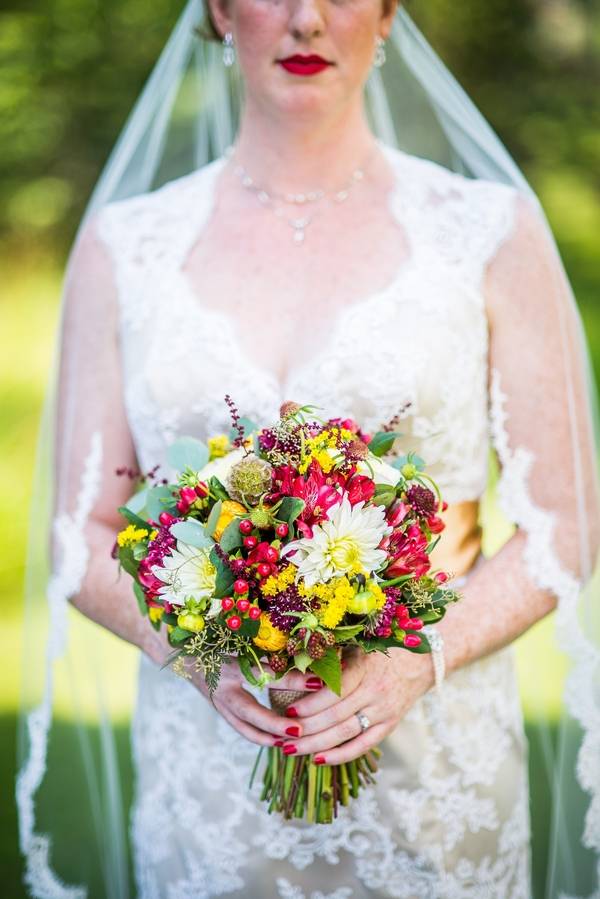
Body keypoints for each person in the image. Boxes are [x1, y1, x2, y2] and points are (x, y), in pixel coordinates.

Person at [16, 1, 600, 897]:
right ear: (219, 9)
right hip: (209, 779)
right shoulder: (126, 247)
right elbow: (77, 531)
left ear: (389, 13)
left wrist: (420, 656)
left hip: (437, 775)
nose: (306, 19)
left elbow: (568, 520)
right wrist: (199, 652)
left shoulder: (488, 231)